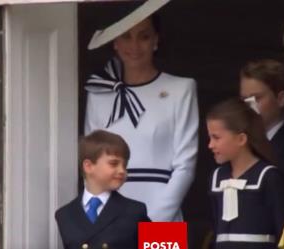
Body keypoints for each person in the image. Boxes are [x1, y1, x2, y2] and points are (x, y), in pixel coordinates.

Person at [84, 15, 199, 221]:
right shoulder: (98, 94)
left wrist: (154, 220)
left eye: (143, 36)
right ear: (115, 43)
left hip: (165, 215)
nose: (134, 45)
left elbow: (185, 165)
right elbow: (92, 164)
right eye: (126, 36)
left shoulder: (181, 89)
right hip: (111, 218)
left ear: (156, 40)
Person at [207, 98, 284, 249]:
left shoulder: (268, 177)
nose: (210, 145)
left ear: (241, 139)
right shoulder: (217, 178)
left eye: (216, 137)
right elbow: (215, 229)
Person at [55, 130, 150, 249]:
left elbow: (170, 244)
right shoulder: (65, 214)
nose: (122, 170)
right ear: (88, 166)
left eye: (124, 165)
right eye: (114, 163)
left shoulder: (135, 211)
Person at [240, 59, 284, 202]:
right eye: (244, 99)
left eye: (257, 98)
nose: (249, 105)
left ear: (281, 99)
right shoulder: (236, 145)